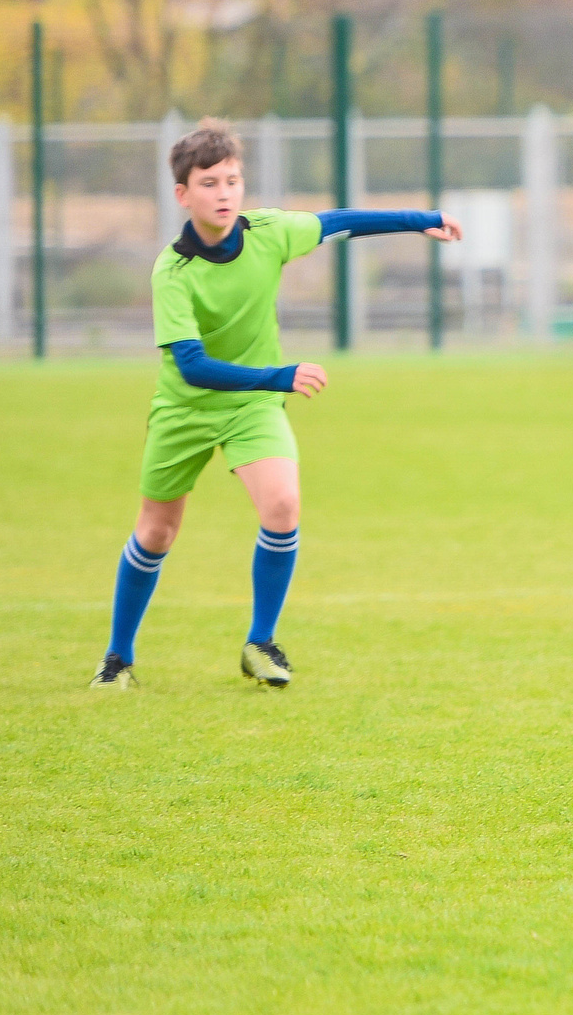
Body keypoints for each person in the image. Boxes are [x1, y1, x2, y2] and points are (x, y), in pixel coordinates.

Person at [92, 118, 462, 690]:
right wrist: (280, 375)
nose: (224, 193)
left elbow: (338, 222)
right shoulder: (174, 270)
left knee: (283, 505)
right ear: (182, 194)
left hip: (253, 406)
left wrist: (423, 220)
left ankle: (260, 643)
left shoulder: (267, 232)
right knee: (157, 532)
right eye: (210, 183)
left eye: (233, 181)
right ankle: (118, 659)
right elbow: (192, 366)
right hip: (186, 408)